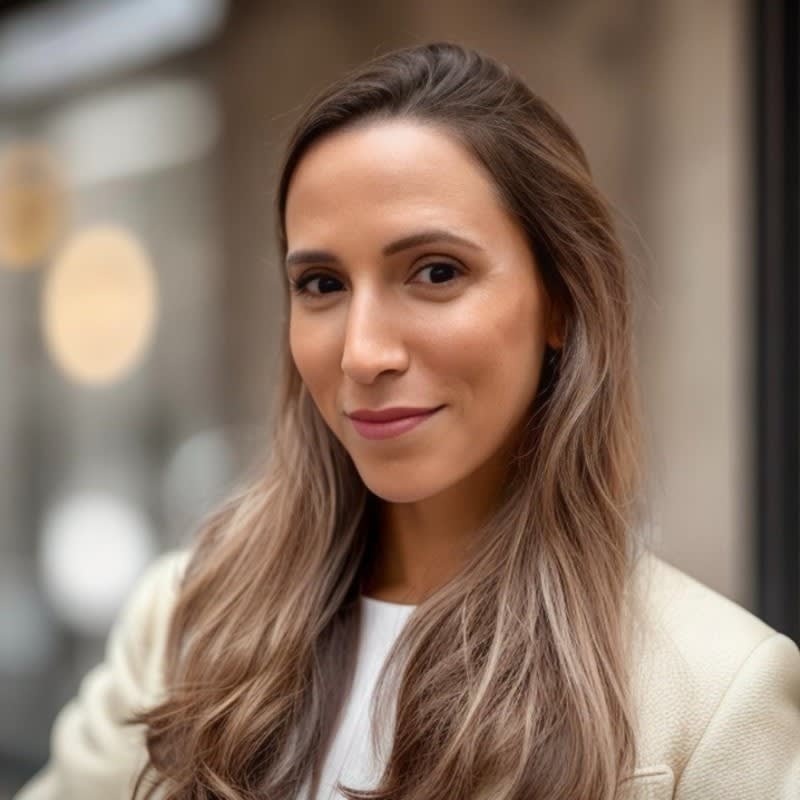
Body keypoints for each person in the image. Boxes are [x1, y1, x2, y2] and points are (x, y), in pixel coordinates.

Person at [15, 42, 800, 800]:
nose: (362, 353)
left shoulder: (715, 692)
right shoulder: (186, 620)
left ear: (561, 301)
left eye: (434, 272)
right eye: (321, 284)